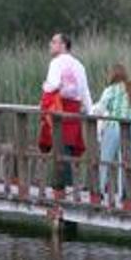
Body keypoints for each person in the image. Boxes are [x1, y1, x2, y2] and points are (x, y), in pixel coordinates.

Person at [38, 33, 93, 191]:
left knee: (59, 146)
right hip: (74, 110)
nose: (50, 44)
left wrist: (45, 87)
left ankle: (61, 187)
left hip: (59, 109)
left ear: (63, 45)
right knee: (68, 146)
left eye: (54, 42)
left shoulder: (56, 63)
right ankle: (68, 185)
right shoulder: (79, 65)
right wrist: (90, 110)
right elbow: (84, 92)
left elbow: (53, 85)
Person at [92, 63, 131, 199]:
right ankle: (125, 194)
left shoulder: (111, 90)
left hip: (115, 126)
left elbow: (100, 109)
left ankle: (99, 190)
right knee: (126, 163)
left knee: (105, 159)